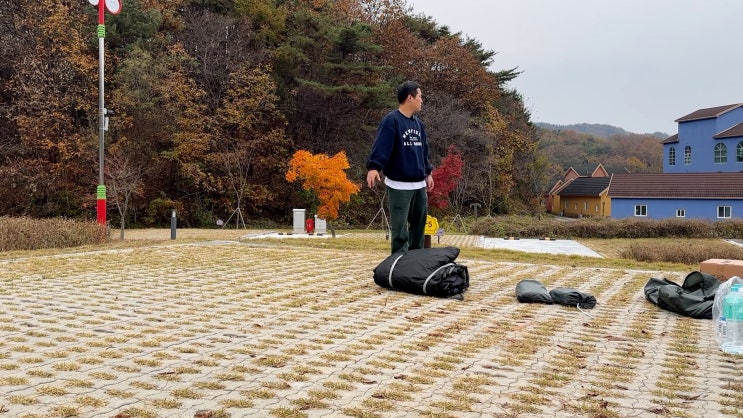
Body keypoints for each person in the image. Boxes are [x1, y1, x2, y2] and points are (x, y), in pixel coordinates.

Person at [366, 81, 434, 254]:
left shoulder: (419, 124)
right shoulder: (392, 121)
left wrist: (428, 173)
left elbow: (424, 152)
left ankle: (416, 261)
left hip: (419, 185)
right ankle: (399, 263)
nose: (422, 100)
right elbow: (382, 146)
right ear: (410, 97)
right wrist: (374, 167)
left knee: (419, 227)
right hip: (399, 185)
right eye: (420, 96)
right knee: (400, 229)